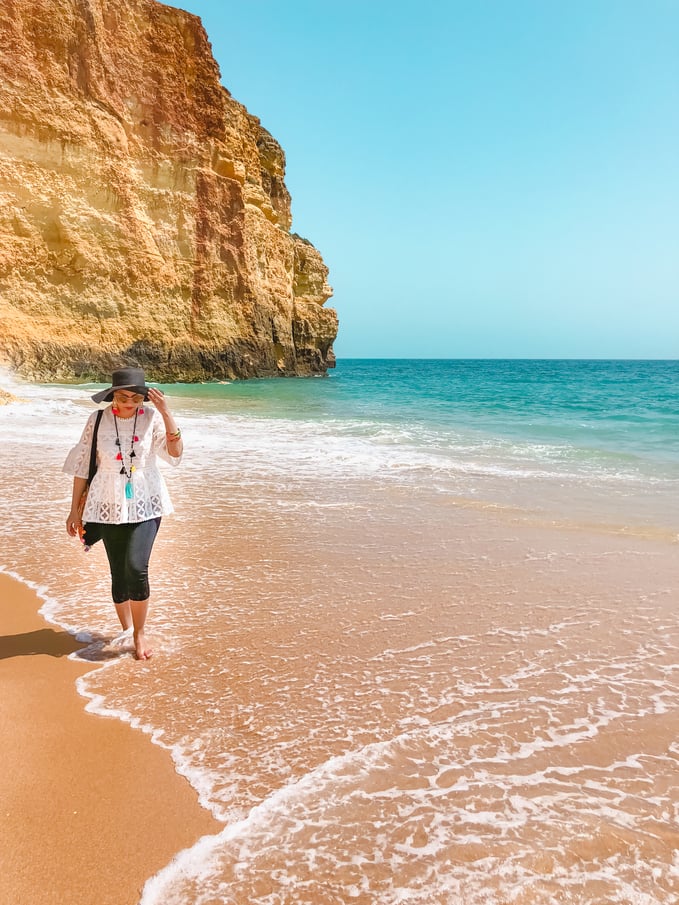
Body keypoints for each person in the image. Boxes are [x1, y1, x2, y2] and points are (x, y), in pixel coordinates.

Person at [64, 367, 183, 660]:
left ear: (144, 399)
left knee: (136, 567)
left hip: (147, 501)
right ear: (112, 396)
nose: (129, 403)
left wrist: (166, 412)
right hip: (107, 502)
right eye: (122, 396)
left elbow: (176, 453)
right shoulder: (97, 420)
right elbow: (82, 467)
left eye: (135, 398)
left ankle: (141, 633)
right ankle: (127, 630)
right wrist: (73, 511)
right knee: (118, 571)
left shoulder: (152, 419)